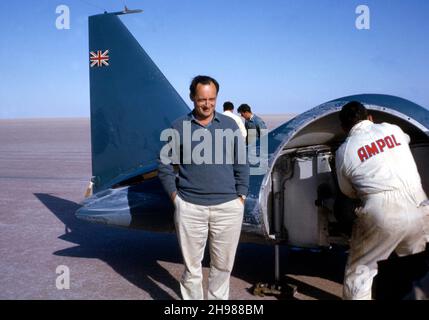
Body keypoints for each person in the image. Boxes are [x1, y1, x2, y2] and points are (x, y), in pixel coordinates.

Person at [158, 75, 249, 300]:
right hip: (190, 207)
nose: (207, 104)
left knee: (222, 268)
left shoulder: (229, 125)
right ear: (192, 98)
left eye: (212, 99)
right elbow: (164, 163)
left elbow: (242, 163)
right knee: (192, 269)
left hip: (228, 207)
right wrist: (175, 197)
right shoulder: (179, 126)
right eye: (201, 100)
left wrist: (241, 196)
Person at [335, 101, 429, 300]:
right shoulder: (392, 129)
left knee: (361, 274)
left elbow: (347, 191)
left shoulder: (345, 150)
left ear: (344, 127)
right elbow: (406, 139)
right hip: (419, 205)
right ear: (370, 117)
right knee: (415, 268)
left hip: (382, 211)